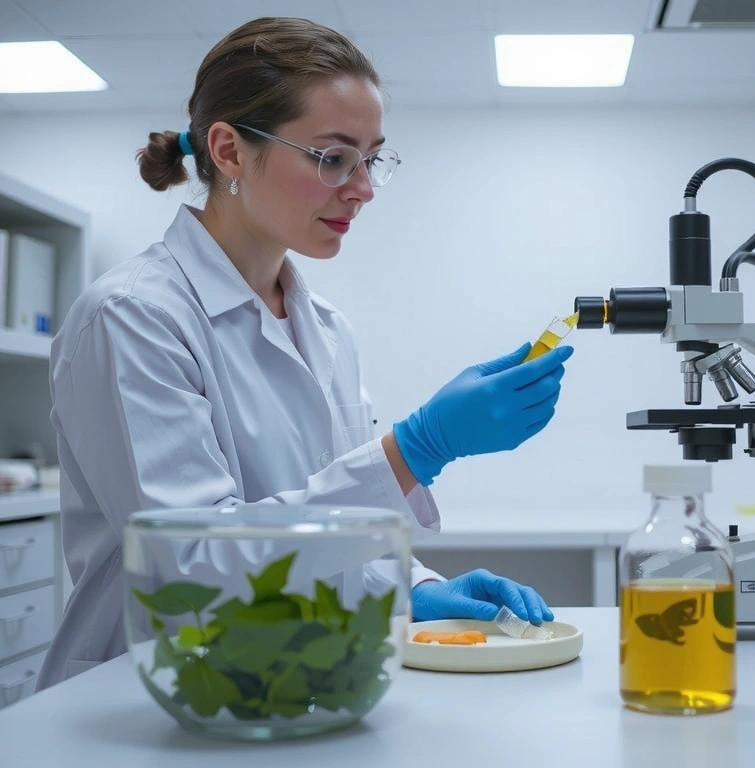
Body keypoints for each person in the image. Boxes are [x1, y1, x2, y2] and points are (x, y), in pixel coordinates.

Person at [36, 17, 573, 690]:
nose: (363, 188)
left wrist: (411, 589)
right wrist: (414, 449)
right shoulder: (132, 317)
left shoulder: (326, 329)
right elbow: (193, 566)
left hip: (289, 687)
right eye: (332, 157)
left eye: (371, 159)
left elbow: (323, 531)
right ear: (229, 152)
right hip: (145, 695)